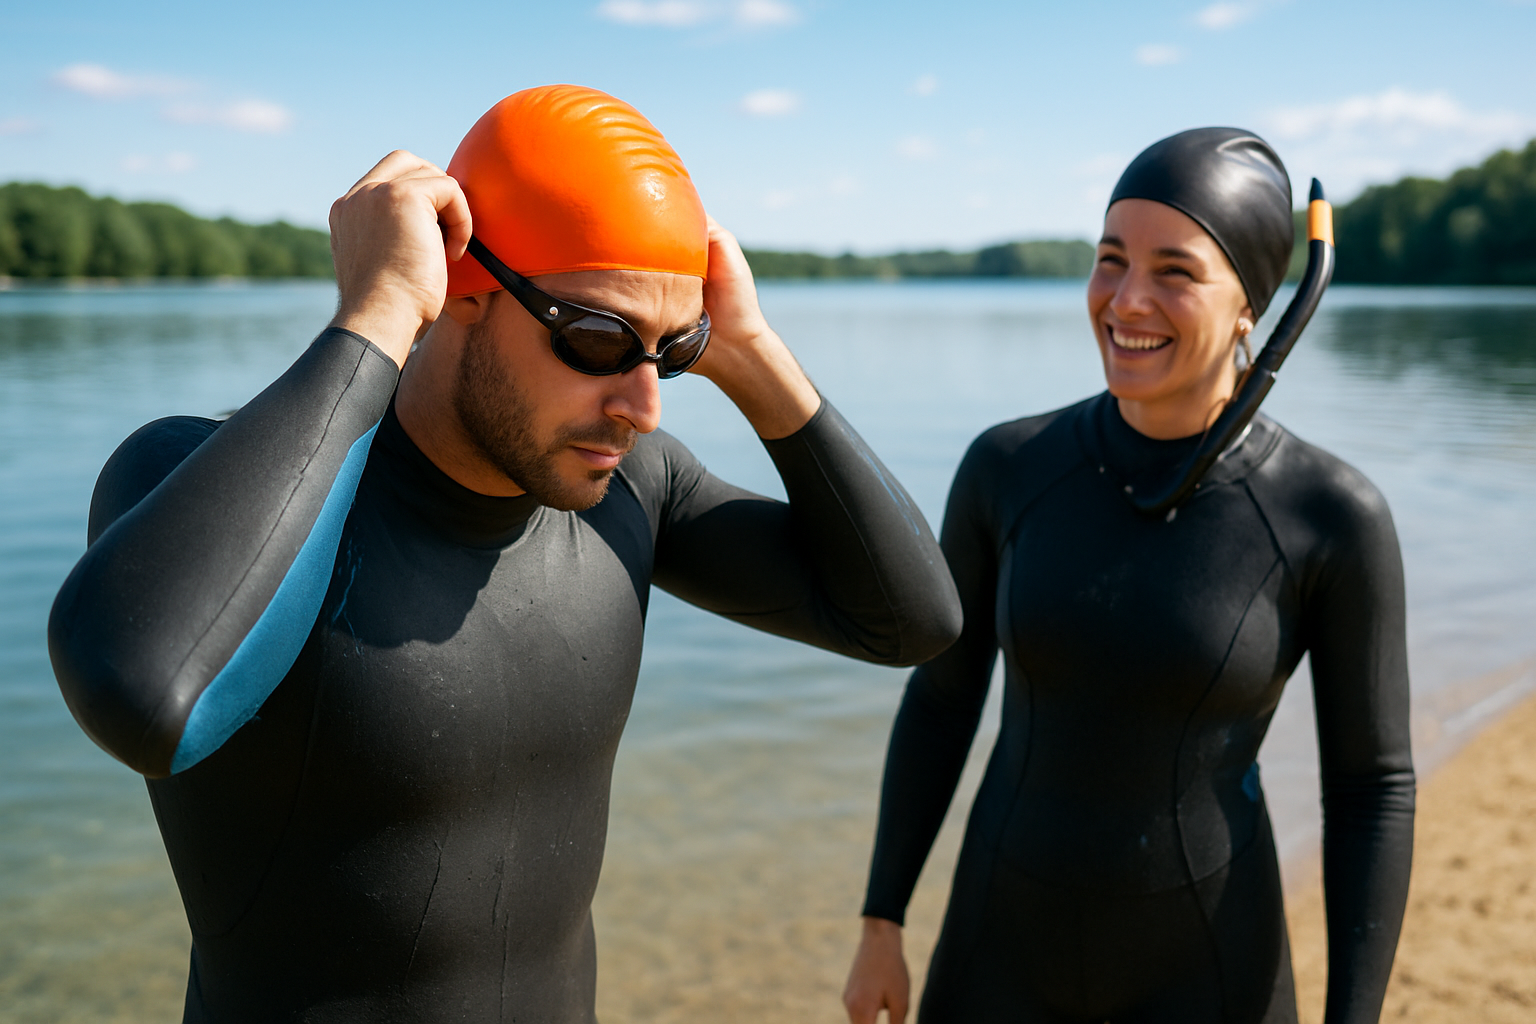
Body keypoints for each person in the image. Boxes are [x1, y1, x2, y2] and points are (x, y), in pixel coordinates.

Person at [48, 85, 962, 1022]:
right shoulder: (196, 479)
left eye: (672, 351)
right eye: (600, 339)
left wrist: (748, 348)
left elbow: (909, 620)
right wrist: (375, 316)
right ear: (462, 289)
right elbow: (149, 698)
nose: (644, 405)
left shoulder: (634, 491)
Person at [842, 128, 1414, 1024]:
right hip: (997, 958)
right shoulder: (1010, 467)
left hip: (1208, 972)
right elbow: (944, 701)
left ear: (1248, 309)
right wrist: (883, 918)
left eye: (1176, 271)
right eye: (1111, 259)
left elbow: (1371, 787)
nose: (1127, 300)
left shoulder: (1329, 516)